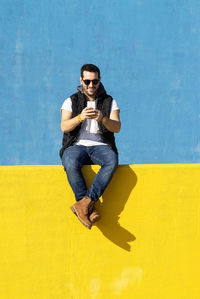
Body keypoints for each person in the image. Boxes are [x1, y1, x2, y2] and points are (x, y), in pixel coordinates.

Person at [60, 64, 121, 229]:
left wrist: (103, 119)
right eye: (87, 81)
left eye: (94, 82)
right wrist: (80, 117)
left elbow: (117, 127)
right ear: (81, 80)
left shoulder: (109, 101)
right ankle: (88, 208)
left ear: (99, 81)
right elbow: (64, 126)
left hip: (101, 145)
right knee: (70, 162)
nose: (91, 85)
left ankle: (85, 203)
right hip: (76, 145)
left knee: (111, 160)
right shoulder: (71, 100)